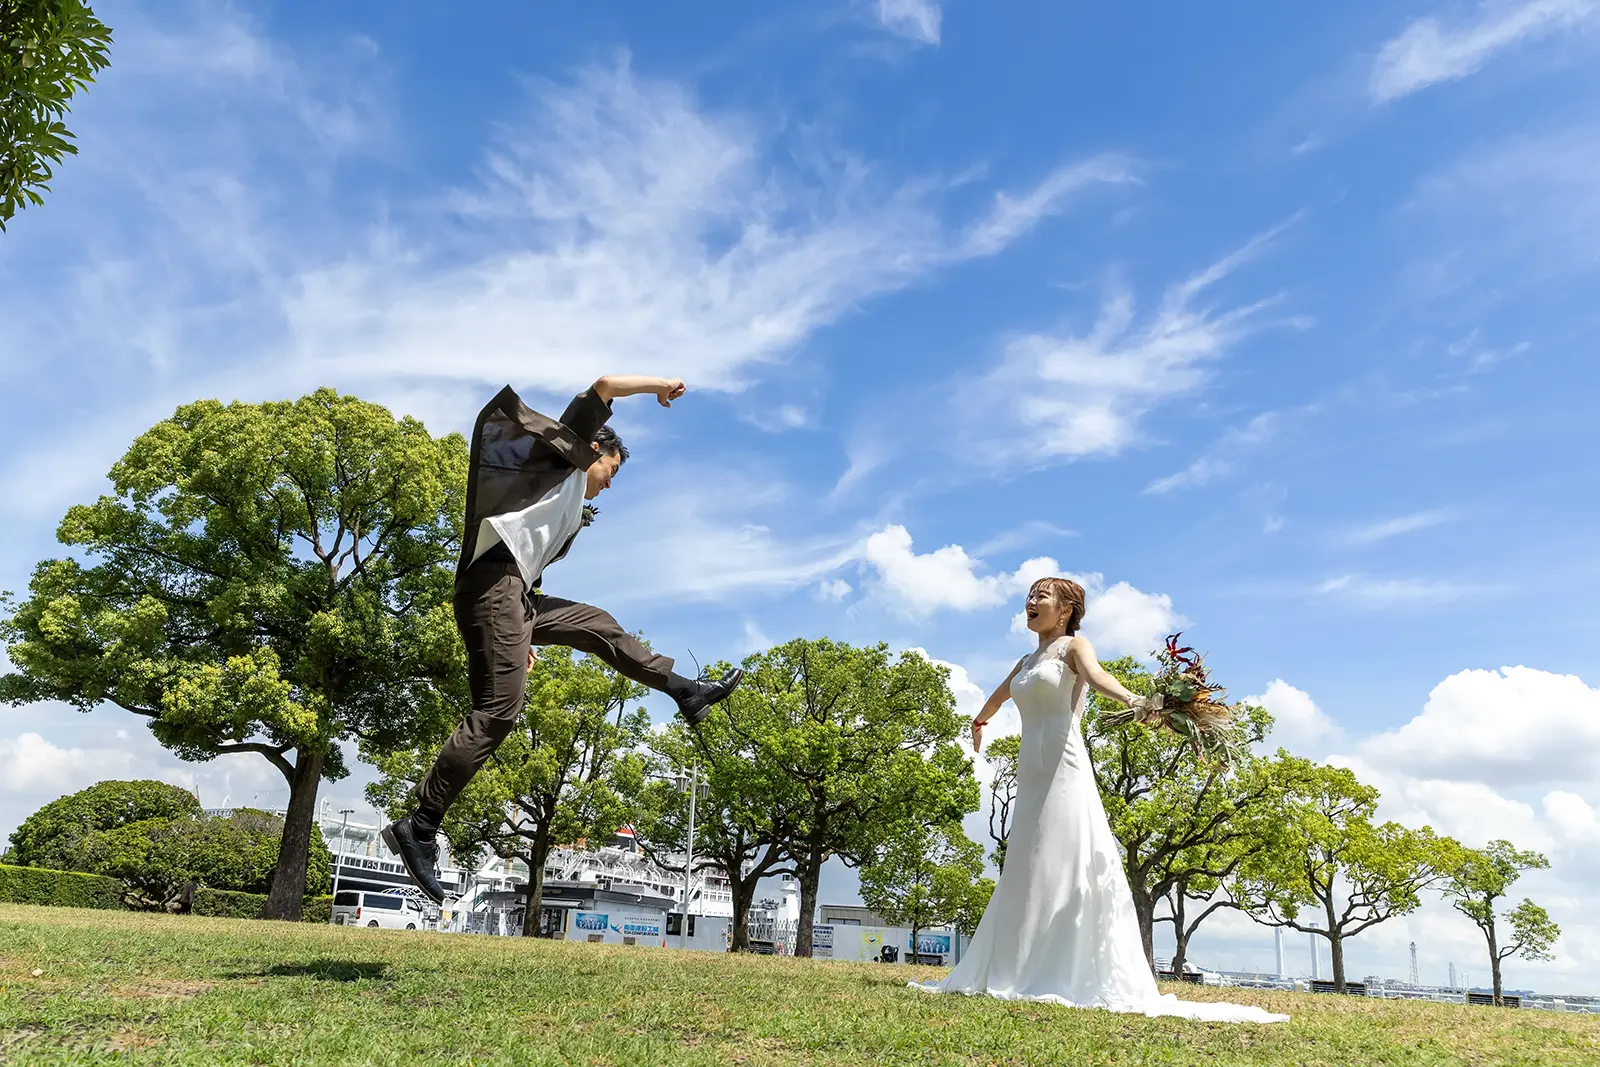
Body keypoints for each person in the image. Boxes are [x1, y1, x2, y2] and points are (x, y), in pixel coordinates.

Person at [384, 375, 743, 904]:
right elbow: (604, 385)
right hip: (493, 585)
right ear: (595, 450)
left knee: (595, 623)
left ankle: (683, 688)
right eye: (612, 470)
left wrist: (524, 631)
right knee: (498, 712)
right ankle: (419, 827)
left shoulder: (570, 513)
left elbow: (530, 560)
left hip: (516, 595)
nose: (610, 483)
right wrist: (660, 387)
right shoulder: (568, 457)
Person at [913, 576, 1287, 1023]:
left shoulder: (1074, 648)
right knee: (1029, 863)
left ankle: (1061, 966)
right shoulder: (1026, 659)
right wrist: (979, 720)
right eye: (1029, 597)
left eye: (1041, 597)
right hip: (1030, 771)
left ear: (1066, 609)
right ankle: (1015, 964)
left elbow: (1098, 676)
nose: (1030, 603)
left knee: (1064, 856)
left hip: (1062, 766)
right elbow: (998, 696)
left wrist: (1137, 700)